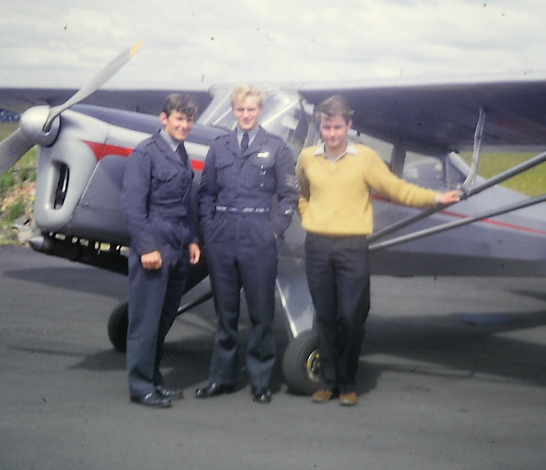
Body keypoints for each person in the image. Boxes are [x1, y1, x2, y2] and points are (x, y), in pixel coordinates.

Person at [296, 95, 462, 407]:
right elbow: (303, 192)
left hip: (352, 246)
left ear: (349, 125)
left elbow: (397, 188)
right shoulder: (307, 158)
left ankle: (347, 381)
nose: (331, 134)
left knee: (352, 316)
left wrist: (436, 199)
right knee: (326, 317)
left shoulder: (366, 158)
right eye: (326, 127)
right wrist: (307, 215)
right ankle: (328, 382)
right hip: (317, 245)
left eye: (337, 127)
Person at [195, 84, 298, 404]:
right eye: (240, 109)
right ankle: (221, 378)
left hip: (257, 234)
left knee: (261, 314)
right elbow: (207, 193)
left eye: (251, 109)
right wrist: (209, 230)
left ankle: (260, 381)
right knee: (225, 313)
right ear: (234, 111)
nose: (245, 115)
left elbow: (289, 195)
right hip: (223, 234)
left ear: (260, 110)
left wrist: (274, 230)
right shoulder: (220, 146)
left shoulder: (277, 147)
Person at [121, 93, 202, 408]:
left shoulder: (180, 153)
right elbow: (132, 205)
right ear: (164, 119)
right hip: (155, 241)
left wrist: (193, 238)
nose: (184, 125)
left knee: (165, 316)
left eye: (188, 120)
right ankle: (140, 387)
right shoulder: (146, 153)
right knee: (146, 318)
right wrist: (146, 247)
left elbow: (187, 202)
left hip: (179, 242)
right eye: (178, 119)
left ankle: (153, 379)